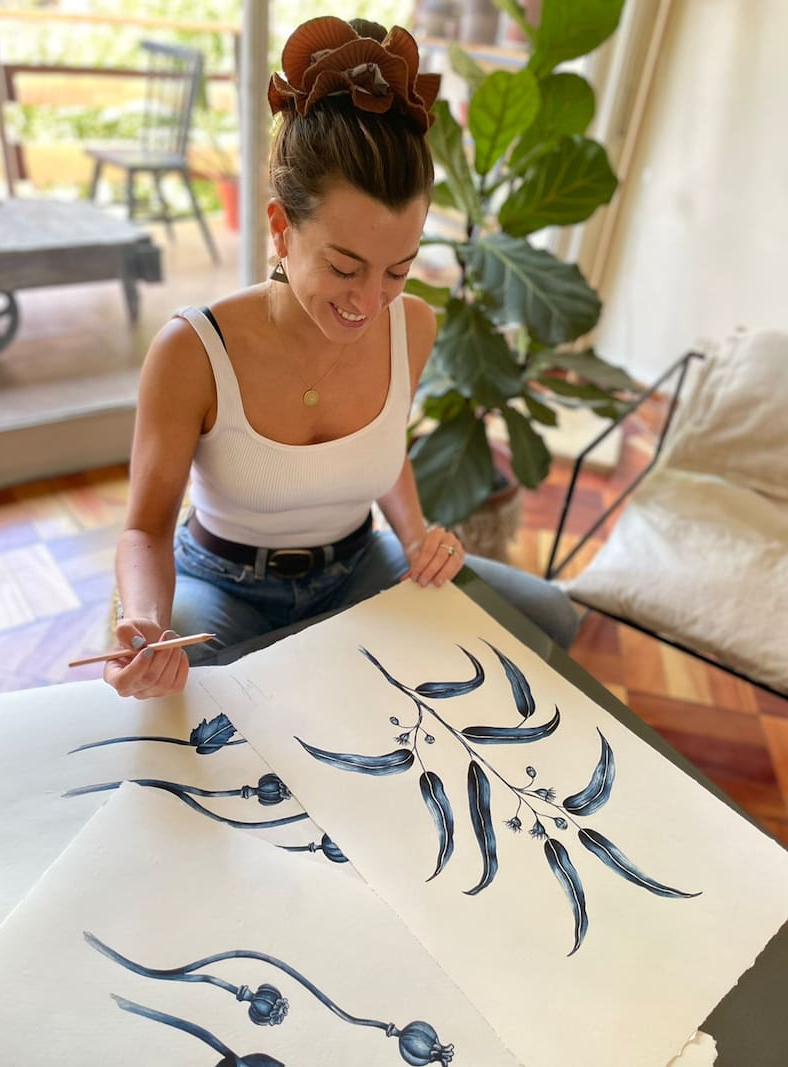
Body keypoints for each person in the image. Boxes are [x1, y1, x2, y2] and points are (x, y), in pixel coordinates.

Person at [104, 15, 578, 700]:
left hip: (357, 567)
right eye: (345, 267)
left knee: (550, 616)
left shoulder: (412, 326)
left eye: (398, 270)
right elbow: (146, 530)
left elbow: (385, 450)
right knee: (189, 704)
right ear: (280, 228)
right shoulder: (193, 350)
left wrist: (416, 537)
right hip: (224, 586)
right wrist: (147, 622)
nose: (370, 301)